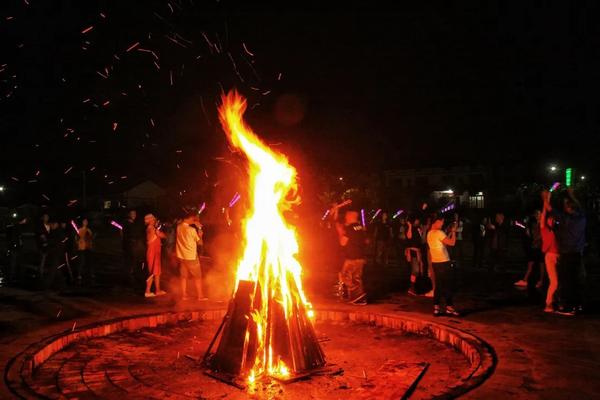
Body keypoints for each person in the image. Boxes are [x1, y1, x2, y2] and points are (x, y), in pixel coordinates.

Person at [549, 189, 586, 315]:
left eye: (565, 206)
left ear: (569, 208)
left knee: (567, 281)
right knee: (575, 281)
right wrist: (572, 195)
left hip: (567, 253)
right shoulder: (581, 218)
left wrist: (546, 199)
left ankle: (569, 307)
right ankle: (578, 306)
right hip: (577, 254)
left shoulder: (567, 220)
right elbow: (578, 207)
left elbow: (552, 211)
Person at [427, 216, 459, 317]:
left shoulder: (429, 233)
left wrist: (448, 233)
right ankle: (449, 307)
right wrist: (454, 232)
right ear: (436, 222)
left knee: (439, 286)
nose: (442, 224)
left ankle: (436, 307)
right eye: (441, 222)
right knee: (448, 285)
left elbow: (442, 244)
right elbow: (452, 243)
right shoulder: (439, 233)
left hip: (436, 262)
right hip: (444, 262)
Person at [336, 210, 368, 305]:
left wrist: (340, 232)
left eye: (346, 216)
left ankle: (359, 296)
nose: (345, 218)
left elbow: (343, 242)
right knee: (356, 278)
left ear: (350, 217)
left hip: (352, 257)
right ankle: (358, 299)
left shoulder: (349, 228)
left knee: (344, 276)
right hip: (361, 257)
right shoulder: (361, 228)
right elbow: (366, 241)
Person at [176, 212, 207, 301]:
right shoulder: (191, 230)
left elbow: (185, 224)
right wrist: (200, 235)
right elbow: (199, 243)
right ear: (189, 218)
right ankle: (200, 296)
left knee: (183, 277)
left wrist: (194, 223)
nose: (194, 220)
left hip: (181, 255)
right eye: (193, 219)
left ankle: (184, 295)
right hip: (191, 257)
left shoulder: (178, 227)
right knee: (198, 277)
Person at [515, 210, 545, 288]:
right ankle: (525, 280)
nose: (537, 215)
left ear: (541, 214)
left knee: (541, 264)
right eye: (536, 214)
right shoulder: (533, 224)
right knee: (531, 263)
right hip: (534, 246)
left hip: (541, 247)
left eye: (539, 214)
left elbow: (543, 234)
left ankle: (541, 281)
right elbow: (531, 233)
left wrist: (536, 240)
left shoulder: (543, 223)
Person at [540, 191, 559, 313]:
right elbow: (544, 214)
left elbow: (552, 213)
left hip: (559, 255)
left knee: (559, 281)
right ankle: (548, 303)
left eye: (553, 219)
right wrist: (546, 200)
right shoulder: (545, 230)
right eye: (550, 219)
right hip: (550, 256)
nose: (551, 220)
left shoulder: (558, 230)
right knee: (555, 281)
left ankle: (555, 302)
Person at [144, 214, 167, 297]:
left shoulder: (151, 228)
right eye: (153, 219)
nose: (155, 220)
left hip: (155, 252)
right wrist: (158, 229)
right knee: (152, 272)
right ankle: (147, 291)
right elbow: (163, 235)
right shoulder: (151, 228)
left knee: (157, 272)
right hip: (152, 252)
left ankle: (158, 290)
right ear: (150, 220)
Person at [122, 209, 145, 289]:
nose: (134, 215)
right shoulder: (127, 224)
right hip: (129, 246)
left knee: (133, 262)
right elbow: (128, 235)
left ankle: (132, 278)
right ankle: (130, 280)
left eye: (135, 213)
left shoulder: (133, 223)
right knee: (130, 263)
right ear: (129, 214)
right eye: (132, 213)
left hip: (132, 246)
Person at [405, 216, 425, 296]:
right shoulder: (411, 228)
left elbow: (421, 240)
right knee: (415, 270)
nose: (418, 221)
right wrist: (409, 226)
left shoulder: (418, 229)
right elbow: (409, 236)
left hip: (418, 251)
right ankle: (411, 288)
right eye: (417, 219)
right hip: (413, 252)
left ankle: (415, 288)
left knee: (418, 270)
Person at [5, 215, 27, 283]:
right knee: (13, 262)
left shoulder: (18, 226)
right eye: (24, 220)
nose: (25, 221)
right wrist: (15, 245)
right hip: (15, 247)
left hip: (18, 247)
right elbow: (14, 237)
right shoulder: (16, 226)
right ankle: (11, 277)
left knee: (16, 262)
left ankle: (15, 276)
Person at [76, 218, 94, 284]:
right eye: (84, 221)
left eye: (86, 221)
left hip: (88, 247)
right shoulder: (79, 230)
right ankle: (79, 274)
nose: (85, 222)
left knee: (89, 261)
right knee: (81, 261)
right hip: (81, 248)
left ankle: (89, 274)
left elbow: (91, 238)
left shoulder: (89, 230)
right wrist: (79, 242)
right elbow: (77, 239)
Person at [36, 213, 51, 279]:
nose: (46, 218)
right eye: (45, 217)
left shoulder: (49, 225)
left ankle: (45, 275)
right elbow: (40, 235)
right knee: (42, 259)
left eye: (47, 217)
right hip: (42, 245)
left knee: (46, 260)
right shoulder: (40, 225)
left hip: (48, 245)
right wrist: (44, 241)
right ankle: (40, 275)